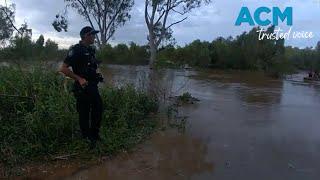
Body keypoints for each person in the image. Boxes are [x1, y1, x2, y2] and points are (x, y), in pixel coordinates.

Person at [59, 26, 103, 145]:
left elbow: (90, 67)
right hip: (82, 88)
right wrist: (79, 79)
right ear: (86, 36)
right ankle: (87, 138)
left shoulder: (91, 50)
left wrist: (97, 74)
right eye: (92, 35)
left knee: (98, 109)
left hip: (93, 86)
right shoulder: (76, 50)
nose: (94, 37)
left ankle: (94, 135)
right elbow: (63, 68)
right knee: (84, 113)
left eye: (94, 35)